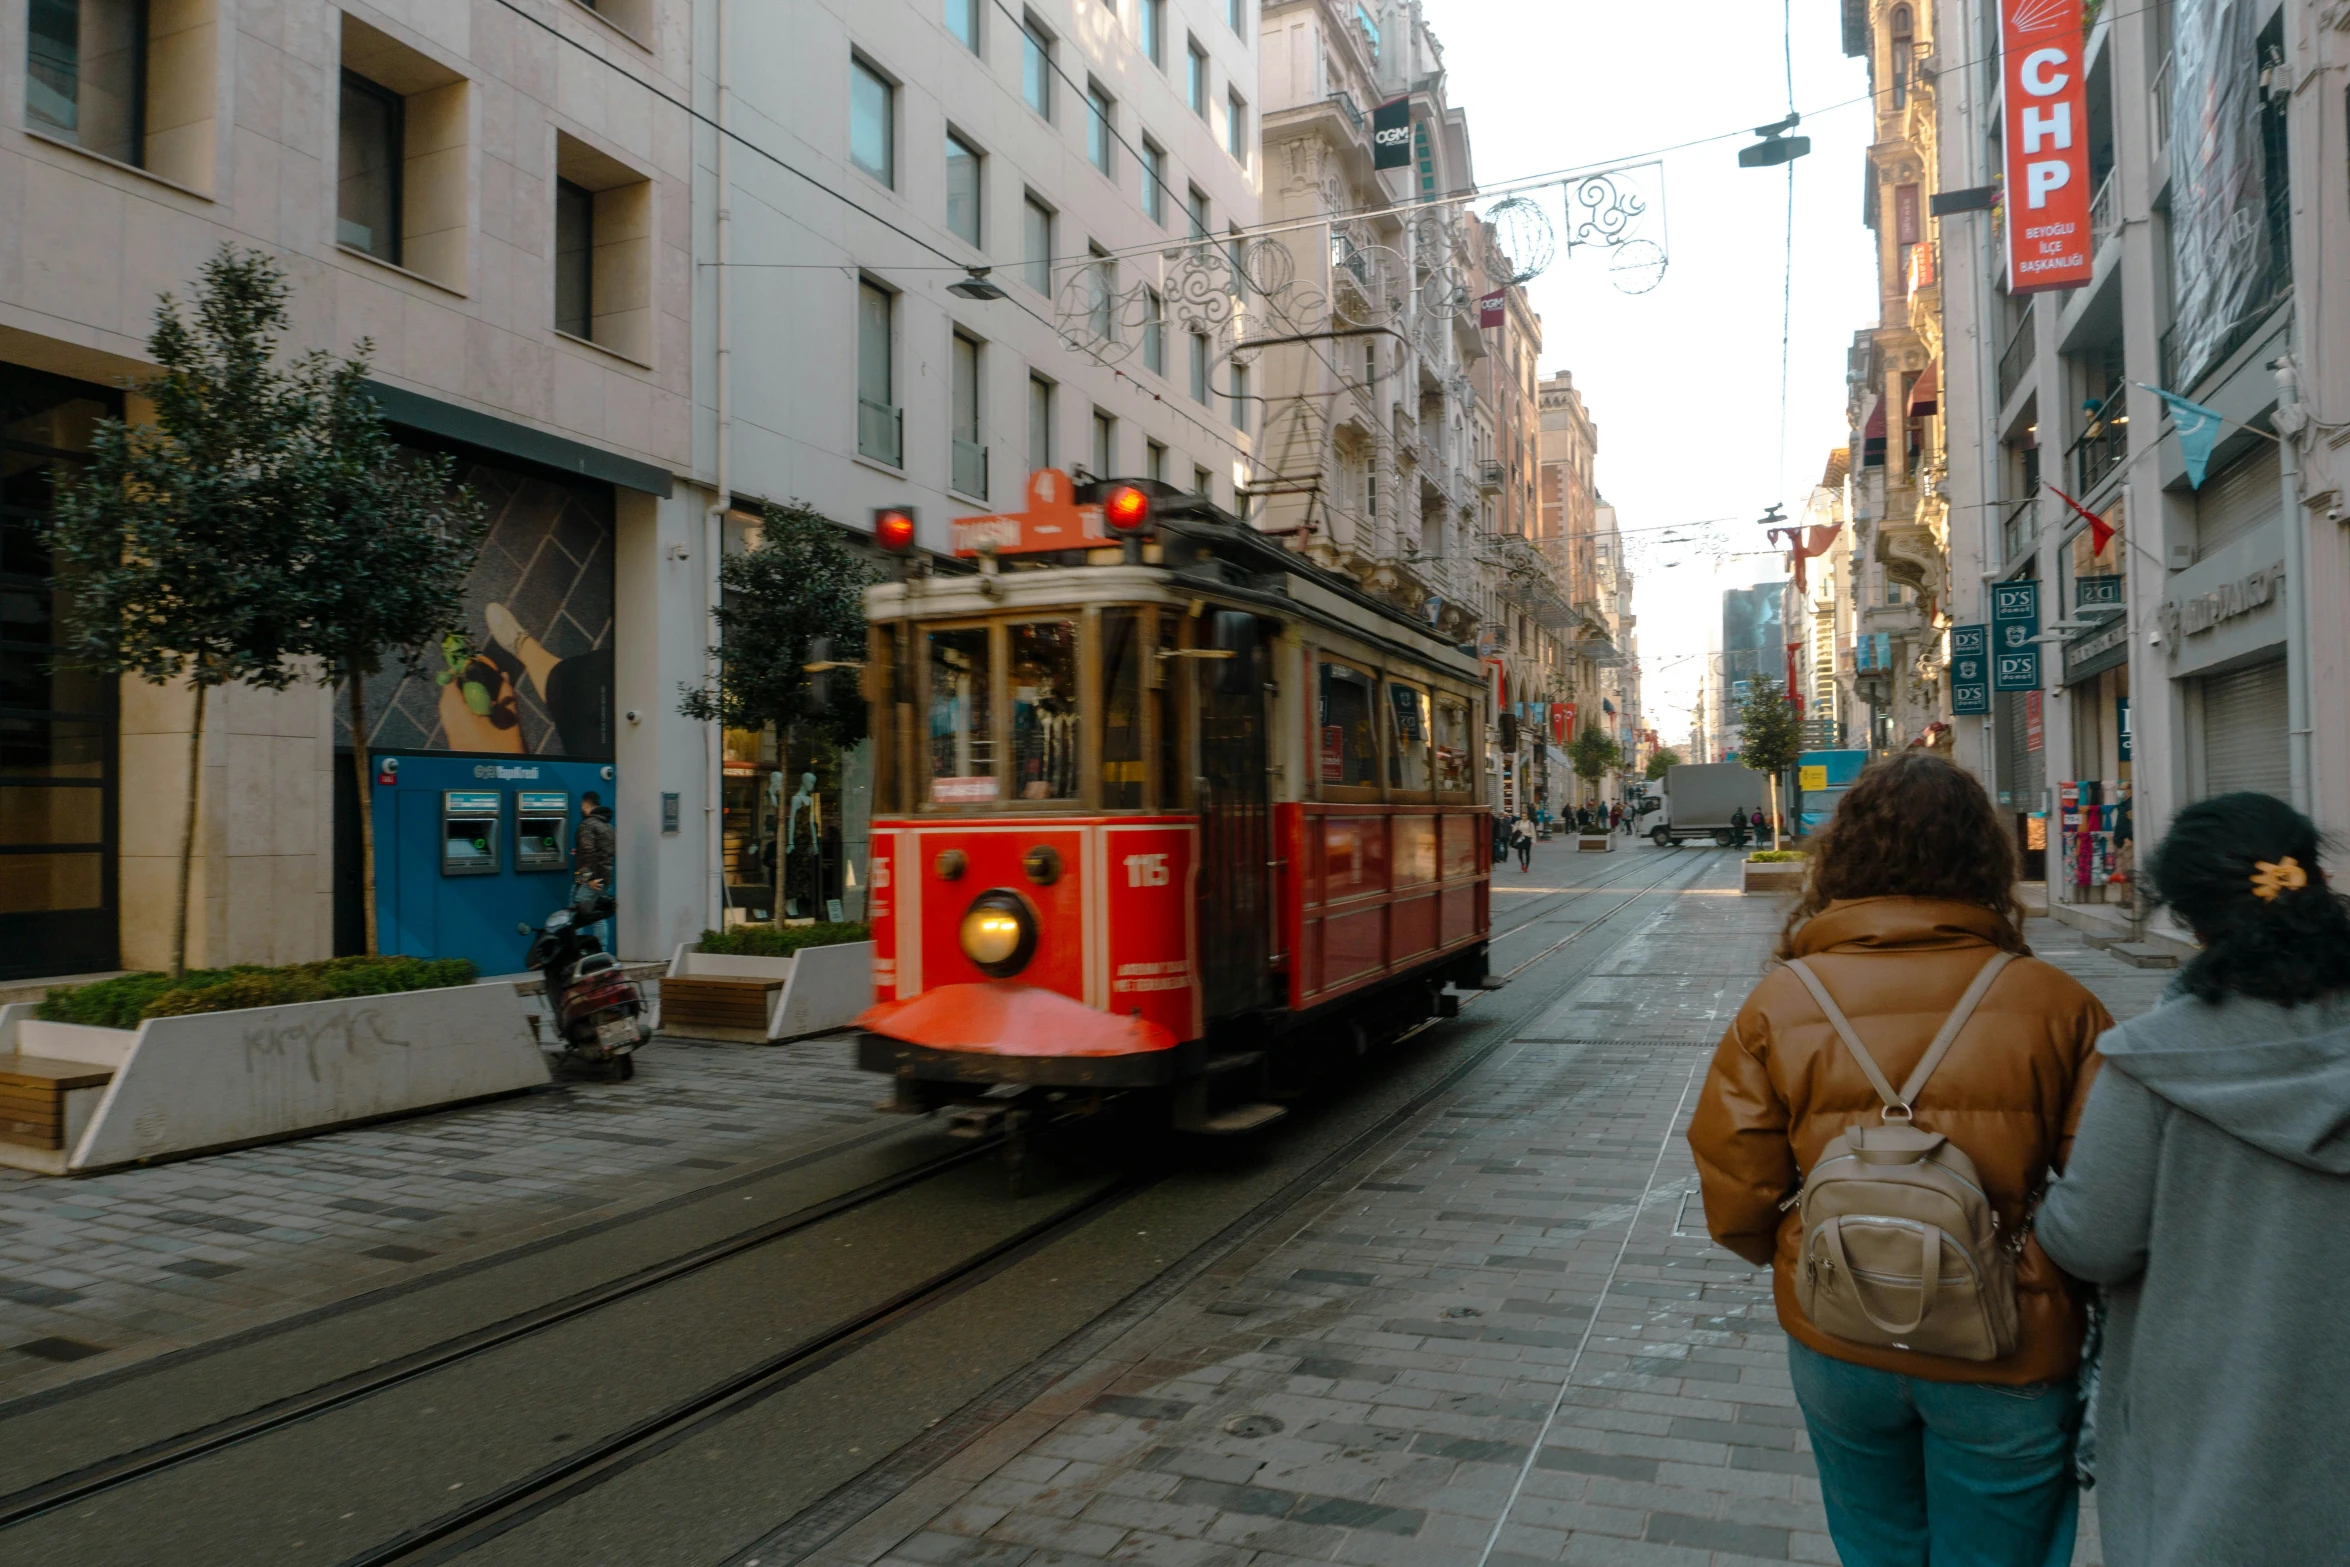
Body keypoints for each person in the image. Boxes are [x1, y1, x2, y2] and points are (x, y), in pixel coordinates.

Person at [1686, 752, 2110, 1567]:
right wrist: (2033, 1266)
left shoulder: (1782, 1000)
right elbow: (2110, 1204)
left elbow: (1735, 1184)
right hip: (2008, 1346)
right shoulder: (2059, 1003)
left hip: (1839, 1329)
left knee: (1876, 1545)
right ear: (1982, 858)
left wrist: (1794, 1250)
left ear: (1843, 858)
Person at [2035, 794, 2350, 1567]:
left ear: (2191, 920)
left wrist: (2040, 1201)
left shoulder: (2154, 1061)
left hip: (2217, 1435)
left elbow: (2093, 1240)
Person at [574, 791, 616, 951]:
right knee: (598, 914)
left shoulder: (587, 825)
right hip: (605, 877)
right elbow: (609, 852)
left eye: (582, 805)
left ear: (586, 804)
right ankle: (601, 950)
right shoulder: (607, 825)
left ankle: (580, 950)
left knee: (578, 913)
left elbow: (587, 853)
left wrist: (588, 878)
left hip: (592, 879)